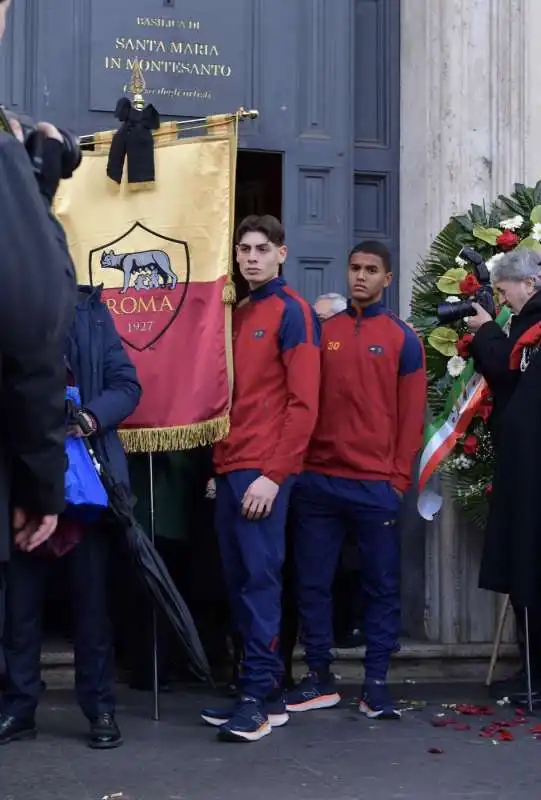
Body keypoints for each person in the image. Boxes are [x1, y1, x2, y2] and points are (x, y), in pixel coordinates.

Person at [287, 240, 426, 720]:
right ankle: (319, 677)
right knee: (312, 582)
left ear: (388, 279)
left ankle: (376, 685)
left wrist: (398, 482)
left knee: (381, 587)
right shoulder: (323, 332)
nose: (360, 276)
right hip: (319, 481)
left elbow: (411, 419)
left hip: (375, 486)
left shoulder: (404, 339)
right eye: (354, 268)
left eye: (371, 270)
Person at [0, 285, 141, 748]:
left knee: (91, 607)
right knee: (19, 609)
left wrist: (89, 417)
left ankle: (100, 709)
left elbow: (126, 385)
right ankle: (19, 709)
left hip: (86, 486)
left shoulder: (93, 313)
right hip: (23, 483)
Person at [200, 214, 321, 742]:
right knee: (237, 583)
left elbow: (304, 404)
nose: (250, 256)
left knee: (260, 583)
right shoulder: (237, 310)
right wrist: (215, 466)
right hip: (230, 467)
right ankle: (266, 695)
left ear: (281, 253)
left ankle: (255, 698)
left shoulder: (293, 312)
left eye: (260, 248)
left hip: (263, 470)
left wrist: (273, 476)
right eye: (243, 248)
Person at [469, 248, 541, 705]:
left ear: (528, 284)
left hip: (532, 471)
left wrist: (488, 331)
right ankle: (529, 669)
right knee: (524, 569)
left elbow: (506, 369)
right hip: (524, 468)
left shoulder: (533, 327)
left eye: (504, 288)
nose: (503, 297)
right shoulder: (527, 325)